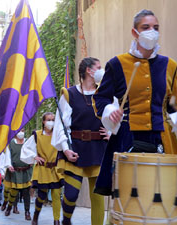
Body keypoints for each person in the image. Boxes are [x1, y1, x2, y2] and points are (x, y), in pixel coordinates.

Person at [92, 9, 177, 197]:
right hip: (127, 137)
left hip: (161, 137)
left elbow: (173, 102)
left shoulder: (170, 65)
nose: (152, 31)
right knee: (127, 197)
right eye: (146, 27)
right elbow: (100, 97)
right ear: (135, 32)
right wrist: (110, 111)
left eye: (156, 28)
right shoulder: (117, 64)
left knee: (161, 196)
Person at [51, 57, 109, 225]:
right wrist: (65, 149)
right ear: (88, 71)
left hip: (98, 149)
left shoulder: (105, 94)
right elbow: (60, 125)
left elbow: (114, 116)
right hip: (74, 148)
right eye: (98, 67)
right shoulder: (69, 94)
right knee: (71, 194)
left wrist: (111, 132)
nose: (101, 70)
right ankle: (66, 220)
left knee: (97, 197)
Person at [21, 112, 64, 225]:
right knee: (41, 196)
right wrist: (34, 156)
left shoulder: (59, 134)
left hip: (55, 169)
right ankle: (35, 216)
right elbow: (26, 148)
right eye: (48, 119)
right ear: (44, 122)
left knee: (56, 195)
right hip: (43, 169)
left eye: (53, 119)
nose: (51, 122)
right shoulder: (37, 135)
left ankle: (57, 220)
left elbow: (65, 147)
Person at [3, 128, 32, 221]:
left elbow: (34, 152)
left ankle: (27, 212)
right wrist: (9, 165)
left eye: (23, 130)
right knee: (14, 191)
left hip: (26, 171)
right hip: (15, 171)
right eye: (19, 130)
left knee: (26, 192)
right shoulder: (11, 143)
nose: (21, 133)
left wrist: (32, 160)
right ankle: (10, 206)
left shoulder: (29, 142)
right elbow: (7, 155)